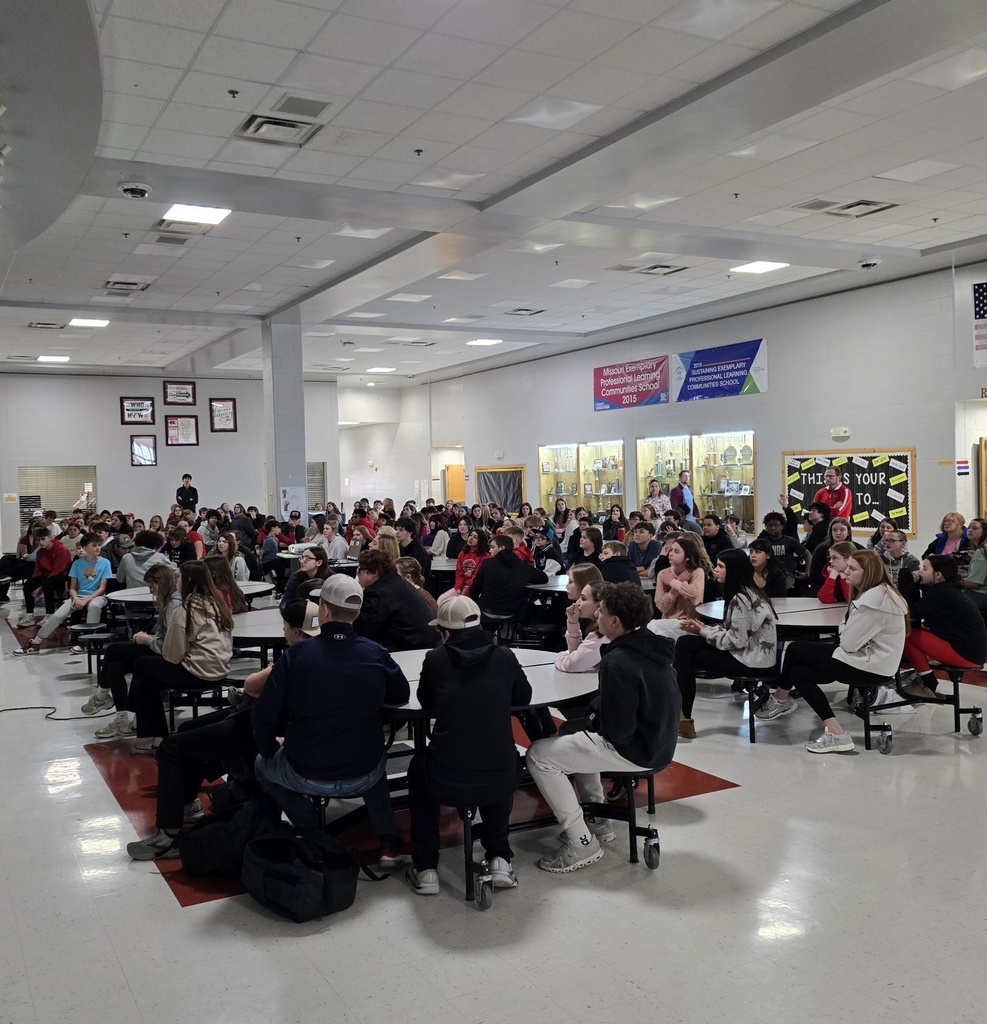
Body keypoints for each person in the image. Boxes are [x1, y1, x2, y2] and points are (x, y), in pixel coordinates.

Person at [252, 576, 410, 866]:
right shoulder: (375, 653)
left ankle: (310, 828)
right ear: (357, 613)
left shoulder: (295, 655)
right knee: (375, 760)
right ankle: (388, 842)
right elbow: (401, 693)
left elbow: (264, 715)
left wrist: (269, 749)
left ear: (324, 610)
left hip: (303, 770)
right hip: (363, 771)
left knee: (262, 766)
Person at [527, 583, 679, 873]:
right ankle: (597, 821)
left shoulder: (617, 661)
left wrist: (594, 719)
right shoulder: (654, 648)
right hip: (659, 744)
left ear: (615, 621)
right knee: (574, 734)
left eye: (602, 611)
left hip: (635, 750)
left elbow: (617, 731)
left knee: (538, 755)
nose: (597, 615)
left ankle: (581, 841)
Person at [405, 596, 532, 895]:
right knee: (497, 757)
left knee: (418, 769)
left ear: (446, 632)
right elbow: (523, 697)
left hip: (445, 775)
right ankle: (500, 858)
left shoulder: (436, 659)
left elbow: (426, 701)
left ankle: (426, 869)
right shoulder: (504, 657)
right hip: (499, 776)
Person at [756, 551, 908, 753]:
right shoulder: (882, 593)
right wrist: (854, 632)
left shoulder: (873, 602)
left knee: (795, 649)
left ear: (868, 572)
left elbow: (847, 642)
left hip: (869, 666)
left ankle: (780, 698)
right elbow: (852, 637)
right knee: (798, 672)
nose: (847, 571)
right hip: (873, 661)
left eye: (852, 568)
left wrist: (846, 626)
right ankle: (835, 731)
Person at [128, 561, 234, 752]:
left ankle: (152, 731)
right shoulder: (216, 604)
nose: (176, 580)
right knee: (145, 679)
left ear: (187, 581)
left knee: (142, 665)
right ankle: (153, 734)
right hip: (221, 669)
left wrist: (149, 641)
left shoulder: (184, 610)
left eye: (179, 577)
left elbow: (172, 655)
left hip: (198, 672)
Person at [674, 548, 778, 739]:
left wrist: (703, 631)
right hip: (755, 657)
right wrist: (704, 629)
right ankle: (682, 718)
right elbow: (736, 633)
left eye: (721, 566)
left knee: (685, 650)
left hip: (751, 662)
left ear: (733, 569)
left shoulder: (741, 599)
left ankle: (682, 718)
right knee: (686, 644)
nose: (715, 570)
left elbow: (736, 641)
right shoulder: (749, 592)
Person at [85, 564, 182, 736]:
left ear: (161, 582)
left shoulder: (174, 605)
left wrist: (147, 640)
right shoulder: (168, 602)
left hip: (167, 655)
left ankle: (101, 696)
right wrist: (148, 637)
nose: (151, 591)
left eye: (151, 586)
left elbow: (170, 645)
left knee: (113, 650)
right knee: (114, 666)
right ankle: (122, 721)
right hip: (160, 647)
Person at [897, 555, 987, 699]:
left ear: (938, 574)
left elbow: (911, 613)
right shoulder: (945, 590)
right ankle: (924, 682)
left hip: (966, 653)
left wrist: (908, 582)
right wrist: (917, 585)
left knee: (907, 634)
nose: (920, 572)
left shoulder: (942, 593)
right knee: (912, 631)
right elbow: (915, 617)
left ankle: (929, 684)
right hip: (970, 650)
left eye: (925, 569)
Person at [13, 532, 112, 656]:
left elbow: (102, 589)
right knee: (57, 616)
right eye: (94, 545)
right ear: (85, 548)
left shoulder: (105, 563)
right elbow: (72, 588)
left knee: (94, 606)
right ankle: (35, 643)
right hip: (79, 595)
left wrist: (86, 600)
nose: (98, 548)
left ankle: (88, 641)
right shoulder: (77, 564)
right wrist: (75, 598)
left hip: (97, 596)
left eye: (99, 545)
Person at [355, 549, 441, 651]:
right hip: (428, 644)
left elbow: (363, 628)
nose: (358, 574)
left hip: (410, 649)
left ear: (374, 572)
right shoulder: (396, 582)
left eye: (360, 570)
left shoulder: (379, 592)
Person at [470, 535, 547, 618]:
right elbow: (544, 578)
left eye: (492, 547)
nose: (489, 551)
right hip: (512, 613)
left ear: (502, 548)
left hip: (485, 612)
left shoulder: (487, 564)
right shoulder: (523, 566)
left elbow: (474, 588)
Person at [651, 532, 707, 638]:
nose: (671, 554)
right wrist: (674, 589)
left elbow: (696, 597)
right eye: (671, 550)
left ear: (687, 557)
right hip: (667, 623)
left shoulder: (697, 572)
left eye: (676, 552)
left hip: (689, 623)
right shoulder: (663, 574)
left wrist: (673, 582)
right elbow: (662, 607)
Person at [555, 567, 608, 673]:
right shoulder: (600, 627)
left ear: (599, 606)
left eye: (583, 598)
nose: (577, 602)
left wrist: (559, 656)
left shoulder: (602, 634)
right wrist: (573, 624)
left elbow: (573, 664)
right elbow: (579, 654)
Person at [17, 527, 71, 627]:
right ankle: (29, 615)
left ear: (50, 538)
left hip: (61, 575)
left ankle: (49, 615)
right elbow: (38, 570)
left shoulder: (61, 549)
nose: (41, 543)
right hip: (46, 575)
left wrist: (41, 588)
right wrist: (35, 581)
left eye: (43, 539)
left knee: (47, 584)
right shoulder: (40, 552)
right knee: (29, 584)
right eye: (38, 540)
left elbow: (58, 569)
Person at [808, 517, 862, 594]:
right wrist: (831, 580)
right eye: (834, 530)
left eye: (842, 530)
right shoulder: (821, 549)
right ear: (830, 532)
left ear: (848, 532)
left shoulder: (858, 549)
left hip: (850, 584)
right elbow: (814, 574)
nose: (838, 533)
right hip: (825, 583)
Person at [758, 511, 808, 591]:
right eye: (770, 525)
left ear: (781, 526)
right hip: (768, 577)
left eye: (775, 525)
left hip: (787, 577)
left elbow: (807, 554)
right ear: (766, 527)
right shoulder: (763, 542)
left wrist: (807, 572)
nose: (773, 528)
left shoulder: (790, 541)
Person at [449, 527, 490, 598]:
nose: (471, 538)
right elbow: (459, 573)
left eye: (475, 537)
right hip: (462, 586)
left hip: (475, 589)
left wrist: (465, 593)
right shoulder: (462, 553)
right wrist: (458, 588)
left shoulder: (485, 556)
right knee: (442, 599)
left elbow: (476, 577)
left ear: (481, 541)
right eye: (470, 535)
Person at [958, 518, 987, 611]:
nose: (970, 530)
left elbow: (974, 583)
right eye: (969, 527)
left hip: (981, 596)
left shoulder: (981, 552)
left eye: (975, 528)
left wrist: (955, 579)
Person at [395, 516, 432, 583]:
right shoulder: (398, 547)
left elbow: (420, 571)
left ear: (410, 532)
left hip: (420, 582)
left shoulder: (418, 548)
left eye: (401, 530)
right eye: (396, 529)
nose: (397, 532)